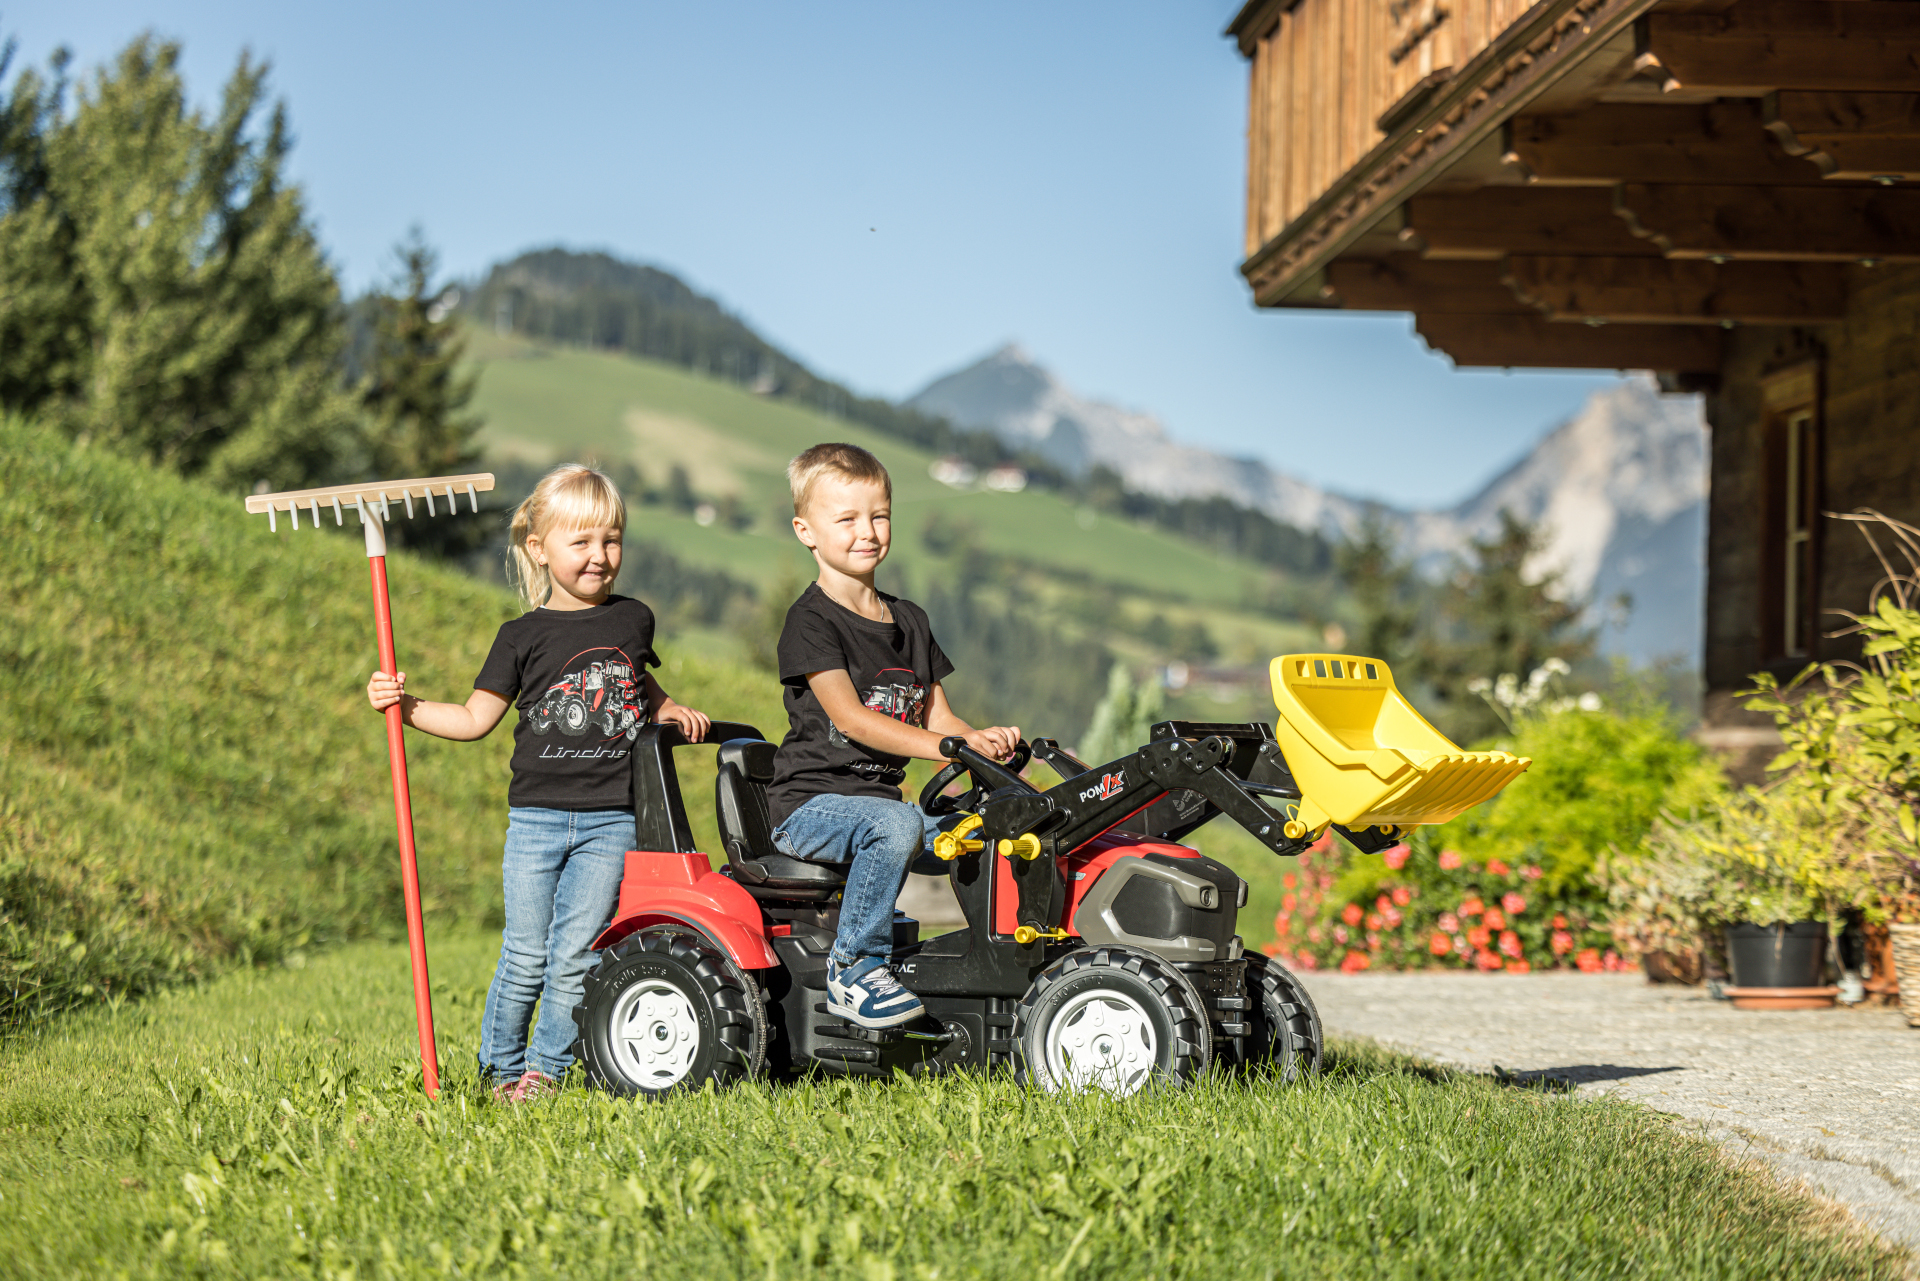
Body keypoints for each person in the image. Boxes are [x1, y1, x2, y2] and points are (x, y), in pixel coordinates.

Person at [365, 464, 711, 1101]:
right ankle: (497, 1070)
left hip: (613, 819)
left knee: (576, 953)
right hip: (536, 820)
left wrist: (665, 708)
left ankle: (543, 1075)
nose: (599, 556)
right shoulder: (520, 637)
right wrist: (406, 706)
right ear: (539, 548)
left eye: (610, 540)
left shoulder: (635, 618)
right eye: (580, 542)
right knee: (526, 953)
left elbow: (636, 683)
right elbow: (474, 720)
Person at [767, 443, 1020, 1029]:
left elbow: (940, 719)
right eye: (847, 518)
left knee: (987, 826)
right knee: (897, 821)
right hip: (810, 810)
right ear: (806, 530)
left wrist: (979, 742)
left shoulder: (910, 621)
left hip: (883, 813)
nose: (867, 531)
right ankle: (853, 967)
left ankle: (997, 961)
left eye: (878, 515)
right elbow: (853, 720)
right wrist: (945, 747)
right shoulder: (811, 621)